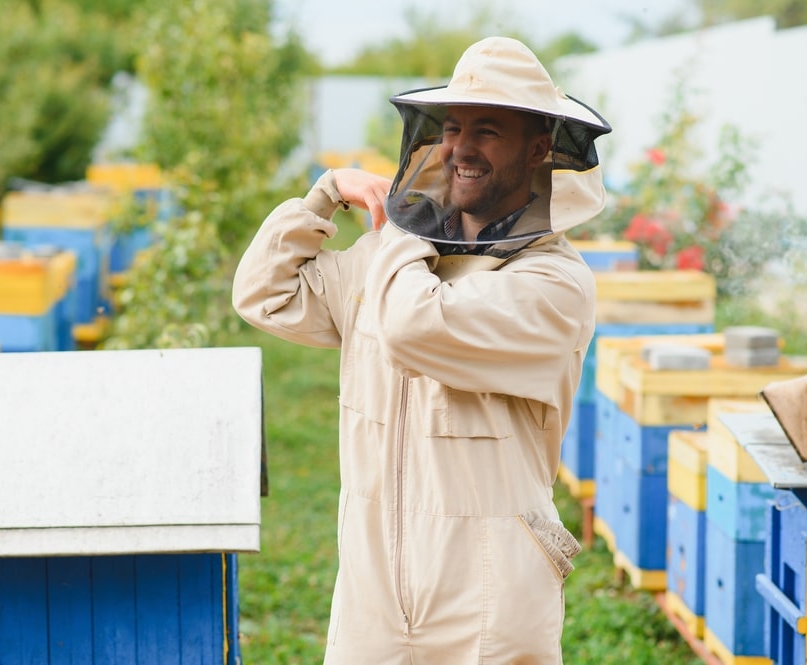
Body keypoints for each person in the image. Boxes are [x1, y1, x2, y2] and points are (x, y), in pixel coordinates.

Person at [232, 36, 611, 665]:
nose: (460, 147)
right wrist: (323, 195)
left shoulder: (552, 284)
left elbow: (414, 326)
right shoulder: (396, 261)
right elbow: (263, 294)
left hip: (488, 600)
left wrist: (403, 227)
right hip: (371, 594)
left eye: (487, 130)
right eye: (453, 127)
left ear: (539, 148)